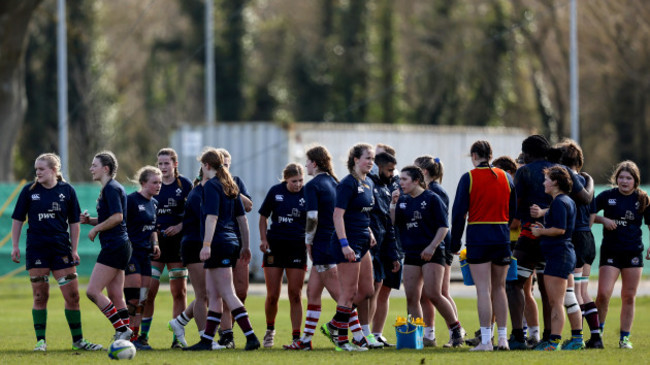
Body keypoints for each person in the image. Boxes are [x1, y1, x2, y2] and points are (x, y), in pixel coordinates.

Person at [506, 134, 593, 350]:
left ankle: (518, 336)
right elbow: (585, 199)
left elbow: (514, 206)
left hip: (531, 234)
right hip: (557, 242)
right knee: (551, 291)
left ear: (526, 153)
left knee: (514, 283)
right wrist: (588, 180)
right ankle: (549, 336)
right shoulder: (561, 171)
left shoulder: (525, 171)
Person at [11, 153, 102, 352]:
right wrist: (15, 245)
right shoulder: (29, 191)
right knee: (39, 296)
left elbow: (74, 222)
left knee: (73, 296)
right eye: (36, 169)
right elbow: (17, 219)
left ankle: (78, 341)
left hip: (61, 249)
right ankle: (40, 342)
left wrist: (75, 249)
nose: (37, 173)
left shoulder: (67, 190)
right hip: (37, 249)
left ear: (53, 170)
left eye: (41, 169)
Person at [184, 148, 259, 351]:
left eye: (202, 165)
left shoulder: (212, 186)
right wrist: (245, 245)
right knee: (213, 294)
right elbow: (242, 219)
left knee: (227, 292)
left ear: (206, 166)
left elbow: (212, 217)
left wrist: (206, 244)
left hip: (218, 243)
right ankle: (207, 340)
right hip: (231, 242)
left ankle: (251, 336)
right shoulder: (230, 185)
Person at [450, 141, 516, 351]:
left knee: (483, 290)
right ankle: (503, 339)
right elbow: (514, 209)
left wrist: (454, 242)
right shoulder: (506, 177)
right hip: (501, 236)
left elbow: (458, 214)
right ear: (491, 154)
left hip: (478, 236)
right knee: (500, 288)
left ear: (474, 155)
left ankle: (486, 340)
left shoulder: (468, 177)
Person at [391, 165, 465, 348]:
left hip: (433, 252)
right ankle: (418, 337)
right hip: (411, 252)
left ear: (416, 180)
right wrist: (393, 204)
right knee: (411, 297)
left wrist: (432, 247)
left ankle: (456, 330)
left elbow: (443, 227)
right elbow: (394, 222)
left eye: (404, 179)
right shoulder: (403, 200)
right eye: (400, 179)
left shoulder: (432, 199)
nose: (400, 183)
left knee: (433, 293)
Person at [283, 145, 342, 351]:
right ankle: (306, 340)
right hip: (332, 241)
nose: (306, 165)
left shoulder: (313, 185)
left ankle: (359, 335)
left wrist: (308, 239)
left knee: (340, 295)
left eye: (307, 161)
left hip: (322, 244)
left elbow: (312, 217)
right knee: (313, 292)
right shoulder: (335, 182)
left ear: (314, 163)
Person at [321, 143, 377, 352]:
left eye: (372, 159)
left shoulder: (369, 183)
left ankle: (334, 324)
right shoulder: (347, 184)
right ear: (355, 159)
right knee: (349, 292)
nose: (371, 162)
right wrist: (344, 244)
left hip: (363, 240)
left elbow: (363, 213)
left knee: (367, 290)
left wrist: (369, 231)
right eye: (367, 158)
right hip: (348, 242)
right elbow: (338, 215)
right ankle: (342, 340)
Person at [594, 161, 650, 349]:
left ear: (635, 181)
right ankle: (597, 334)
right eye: (621, 177)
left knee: (628, 296)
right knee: (603, 294)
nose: (624, 181)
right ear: (616, 179)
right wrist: (603, 220)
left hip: (633, 252)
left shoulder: (642, 198)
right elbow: (589, 215)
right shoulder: (607, 196)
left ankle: (624, 338)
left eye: (629, 178)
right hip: (610, 251)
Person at [141, 148, 192, 349]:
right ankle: (143, 336)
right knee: (148, 291)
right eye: (160, 163)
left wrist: (179, 226)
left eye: (166, 163)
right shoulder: (154, 185)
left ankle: (177, 339)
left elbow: (194, 213)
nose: (162, 167)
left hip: (178, 246)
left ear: (175, 164)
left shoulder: (184, 185)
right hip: (155, 245)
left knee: (179, 292)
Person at [80, 151, 133, 341]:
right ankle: (126, 337)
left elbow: (118, 218)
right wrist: (90, 222)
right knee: (116, 295)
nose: (91, 169)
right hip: (120, 245)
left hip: (115, 245)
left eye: (94, 165)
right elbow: (110, 218)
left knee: (92, 291)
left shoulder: (111, 188)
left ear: (106, 169)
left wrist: (96, 229)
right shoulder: (108, 188)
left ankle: (122, 330)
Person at [258, 163, 308, 348]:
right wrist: (263, 239)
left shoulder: (307, 194)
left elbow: (314, 220)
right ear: (286, 179)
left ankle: (296, 337)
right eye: (294, 181)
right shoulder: (275, 192)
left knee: (295, 294)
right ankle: (270, 331)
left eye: (301, 180)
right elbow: (263, 217)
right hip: (275, 246)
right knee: (272, 295)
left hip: (297, 246)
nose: (298, 184)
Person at [414, 155, 462, 347]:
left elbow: (440, 223)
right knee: (428, 293)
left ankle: (456, 331)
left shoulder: (435, 191)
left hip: (440, 245)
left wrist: (434, 244)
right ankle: (430, 334)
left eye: (416, 169)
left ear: (424, 172)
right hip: (432, 244)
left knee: (440, 292)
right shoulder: (428, 190)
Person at [558, 139, 600, 349]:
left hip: (574, 238)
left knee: (572, 292)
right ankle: (596, 336)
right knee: (583, 291)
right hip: (588, 238)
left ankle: (577, 338)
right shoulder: (585, 179)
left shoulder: (564, 182)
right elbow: (592, 213)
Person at [530, 166, 577, 351]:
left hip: (559, 255)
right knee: (560, 300)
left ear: (555, 182)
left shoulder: (559, 202)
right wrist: (543, 216)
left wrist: (540, 231)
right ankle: (573, 339)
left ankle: (554, 342)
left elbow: (560, 229)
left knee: (555, 302)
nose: (544, 183)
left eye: (547, 179)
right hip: (562, 254)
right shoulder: (564, 200)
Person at [168, 168, 214, 348]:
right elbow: (208, 220)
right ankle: (205, 338)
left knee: (210, 293)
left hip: (202, 245)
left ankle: (179, 321)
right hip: (194, 245)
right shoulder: (197, 195)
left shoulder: (207, 192)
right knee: (203, 294)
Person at [215, 148, 253, 349]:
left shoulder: (236, 181)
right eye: (223, 163)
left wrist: (232, 187)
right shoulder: (210, 185)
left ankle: (227, 329)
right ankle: (226, 333)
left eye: (228, 163)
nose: (226, 167)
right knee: (222, 291)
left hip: (237, 242)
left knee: (241, 291)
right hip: (219, 243)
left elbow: (248, 206)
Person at [124, 166, 162, 349]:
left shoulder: (154, 203)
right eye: (154, 182)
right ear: (143, 183)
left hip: (146, 254)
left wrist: (155, 244)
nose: (158, 185)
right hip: (131, 253)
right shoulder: (130, 201)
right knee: (131, 300)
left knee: (142, 299)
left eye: (160, 182)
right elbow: (115, 220)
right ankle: (124, 334)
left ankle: (136, 339)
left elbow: (153, 228)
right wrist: (92, 222)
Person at [368, 152, 401, 348]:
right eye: (389, 170)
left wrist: (393, 253)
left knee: (377, 289)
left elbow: (388, 224)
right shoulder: (368, 185)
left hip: (383, 248)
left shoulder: (386, 187)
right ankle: (344, 326)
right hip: (368, 248)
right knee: (365, 291)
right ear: (378, 167)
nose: (392, 174)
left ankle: (370, 334)